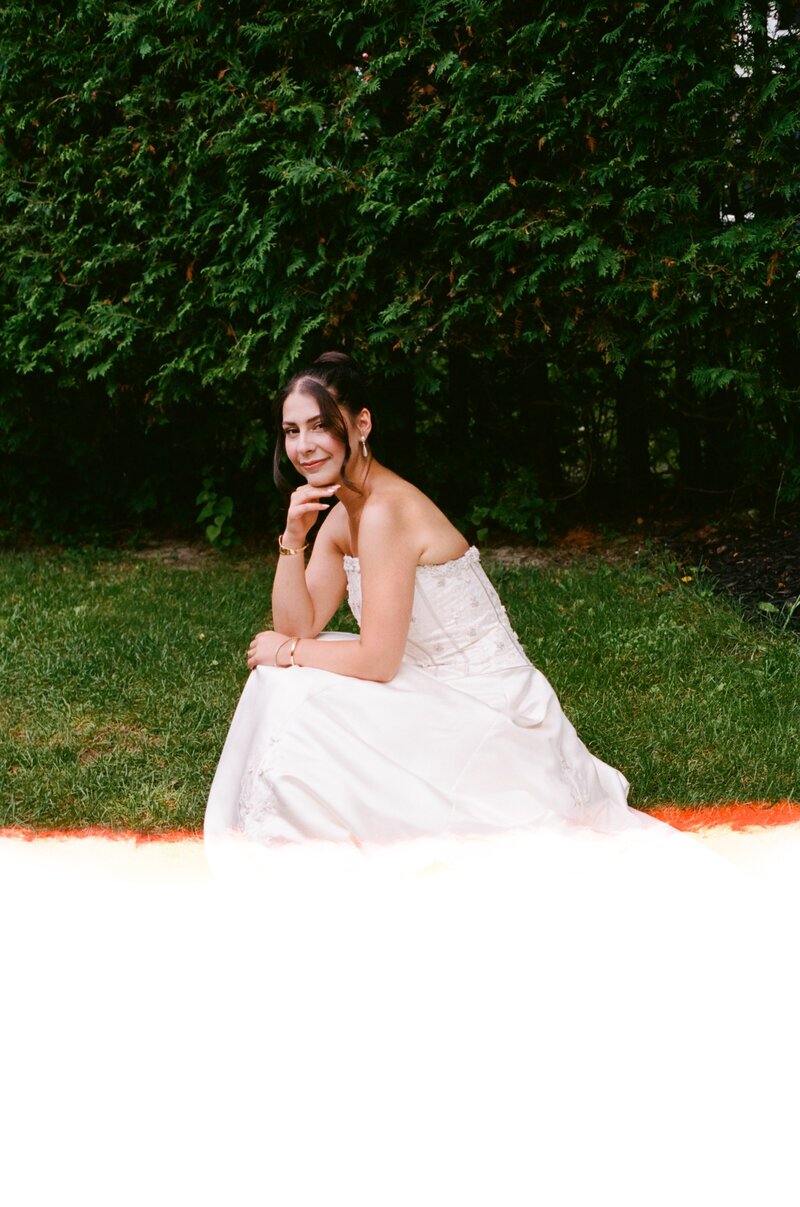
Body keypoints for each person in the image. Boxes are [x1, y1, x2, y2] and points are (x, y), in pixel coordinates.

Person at [204, 351, 660, 849]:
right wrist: (293, 538)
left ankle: (299, 838)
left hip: (486, 708)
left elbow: (373, 660)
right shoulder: (345, 515)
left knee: (291, 678)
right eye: (292, 431)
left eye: (321, 426)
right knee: (286, 676)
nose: (304, 446)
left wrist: (286, 652)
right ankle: (295, 831)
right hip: (424, 684)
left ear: (361, 425)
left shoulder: (384, 512)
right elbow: (299, 626)